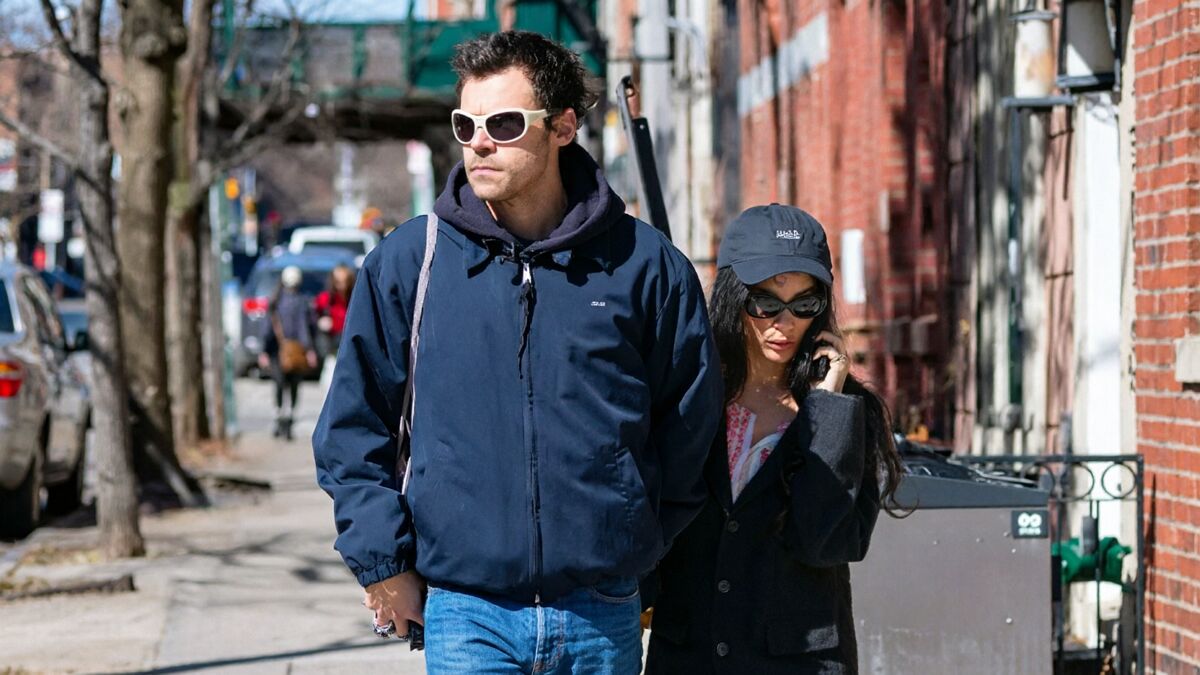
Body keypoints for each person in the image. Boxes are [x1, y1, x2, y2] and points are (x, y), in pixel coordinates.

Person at [312, 30, 722, 674]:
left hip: (602, 609)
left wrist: (632, 544)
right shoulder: (409, 263)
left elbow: (688, 429)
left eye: (503, 124)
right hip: (465, 611)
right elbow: (352, 429)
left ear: (562, 127)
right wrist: (383, 563)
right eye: (465, 124)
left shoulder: (646, 266)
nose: (479, 141)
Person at [643, 205, 904, 675]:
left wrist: (826, 408)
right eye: (766, 303)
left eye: (804, 305)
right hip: (690, 655)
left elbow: (824, 542)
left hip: (798, 663)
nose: (784, 323)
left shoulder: (847, 410)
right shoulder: (689, 391)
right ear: (733, 296)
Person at [259, 265, 317, 440]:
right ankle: (285, 418)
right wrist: (309, 350)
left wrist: (264, 351)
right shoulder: (298, 301)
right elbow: (307, 329)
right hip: (289, 350)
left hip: (282, 350)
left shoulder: (280, 301)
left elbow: (267, 329)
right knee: (290, 385)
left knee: (282, 384)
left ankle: (282, 418)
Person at [314, 264, 355, 360]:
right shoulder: (325, 299)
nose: (342, 286)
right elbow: (312, 318)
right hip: (331, 347)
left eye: (345, 281)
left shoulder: (355, 299)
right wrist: (319, 322)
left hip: (350, 347)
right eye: (338, 282)